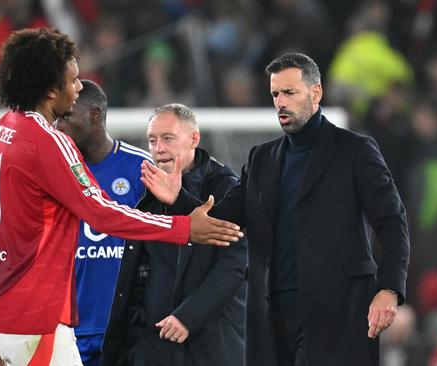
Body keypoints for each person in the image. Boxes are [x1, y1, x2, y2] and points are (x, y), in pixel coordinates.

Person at [0, 28, 242, 366]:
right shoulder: (48, 140)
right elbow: (100, 212)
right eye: (73, 80)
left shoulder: (0, 129)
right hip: (37, 312)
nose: (79, 87)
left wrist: (1, 272)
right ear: (51, 88)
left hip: (4, 308)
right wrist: (184, 228)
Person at [141, 52, 410, 366]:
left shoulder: (355, 151)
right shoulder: (262, 159)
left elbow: (393, 223)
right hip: (273, 320)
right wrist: (179, 199)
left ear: (316, 93)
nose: (281, 102)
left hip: (338, 314)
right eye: (275, 94)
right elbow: (220, 219)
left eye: (289, 93)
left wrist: (389, 289)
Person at [101, 103, 247, 366]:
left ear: (194, 139)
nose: (158, 149)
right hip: (151, 344)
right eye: (152, 140)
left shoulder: (226, 186)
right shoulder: (146, 189)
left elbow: (234, 265)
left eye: (168, 138)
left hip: (208, 343)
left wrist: (188, 317)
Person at [54, 79, 152, 366]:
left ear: (95, 115)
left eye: (67, 117)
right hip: (70, 333)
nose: (58, 127)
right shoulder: (55, 173)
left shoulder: (141, 169)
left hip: (129, 331)